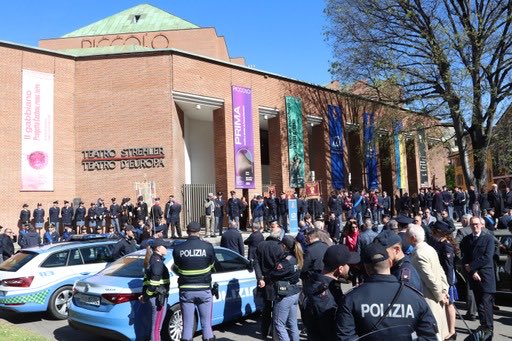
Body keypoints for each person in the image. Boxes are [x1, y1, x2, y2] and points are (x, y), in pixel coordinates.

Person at [336, 243, 439, 340]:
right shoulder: (415, 297)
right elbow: (429, 336)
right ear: (389, 263)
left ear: (366, 268)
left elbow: (345, 337)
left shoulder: (351, 298)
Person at [304, 244, 360, 341]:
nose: (350, 267)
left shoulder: (319, 282)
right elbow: (331, 331)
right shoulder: (324, 297)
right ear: (340, 269)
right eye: (348, 264)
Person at [172, 222, 216, 341]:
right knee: (206, 324)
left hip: (186, 290)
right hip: (204, 289)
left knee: (187, 326)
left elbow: (176, 267)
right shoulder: (207, 247)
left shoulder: (178, 248)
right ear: (199, 231)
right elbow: (212, 265)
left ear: (187, 231)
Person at [407, 224, 449, 339]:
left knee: (433, 333)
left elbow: (430, 279)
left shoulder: (419, 254)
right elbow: (441, 273)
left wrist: (441, 295)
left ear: (413, 238)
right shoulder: (430, 249)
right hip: (436, 295)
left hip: (430, 297)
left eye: (408, 236)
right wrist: (444, 290)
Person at [460, 216, 496, 340]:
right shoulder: (466, 240)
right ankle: (483, 326)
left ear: (481, 225)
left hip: (486, 276)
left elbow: (487, 257)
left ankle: (489, 328)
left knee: (486, 304)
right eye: (472, 224)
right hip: (474, 276)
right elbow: (465, 257)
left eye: (476, 224)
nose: (474, 226)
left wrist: (472, 266)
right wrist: (472, 271)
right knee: (479, 303)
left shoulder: (488, 238)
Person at [267, 235, 303, 341]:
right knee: (292, 324)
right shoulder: (297, 257)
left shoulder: (286, 261)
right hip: (295, 292)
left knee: (279, 324)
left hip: (285, 294)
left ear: (284, 246)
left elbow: (274, 274)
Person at [254, 220, 284, 339]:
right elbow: (281, 266)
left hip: (264, 280)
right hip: (276, 280)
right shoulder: (279, 247)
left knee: (266, 309)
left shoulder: (261, 245)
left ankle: (264, 332)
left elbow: (255, 262)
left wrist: (260, 277)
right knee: (277, 308)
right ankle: (274, 333)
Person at [431, 220, 459, 340]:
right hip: (440, 276)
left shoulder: (446, 245)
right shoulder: (438, 243)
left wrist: (447, 285)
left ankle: (452, 330)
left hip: (447, 279)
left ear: (438, 232)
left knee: (449, 304)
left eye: (434, 231)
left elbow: (449, 266)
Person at [140, 238, 170, 341]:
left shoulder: (153, 259)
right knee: (156, 329)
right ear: (158, 248)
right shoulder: (157, 262)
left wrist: (145, 295)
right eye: (164, 246)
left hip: (154, 298)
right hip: (158, 299)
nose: (167, 248)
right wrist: (146, 296)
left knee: (154, 327)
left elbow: (146, 281)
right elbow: (153, 284)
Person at [455, 214, 478, 320]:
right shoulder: (484, 230)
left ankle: (472, 312)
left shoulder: (462, 231)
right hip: (482, 263)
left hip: (468, 263)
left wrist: (461, 258)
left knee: (471, 288)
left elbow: (455, 245)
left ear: (466, 220)